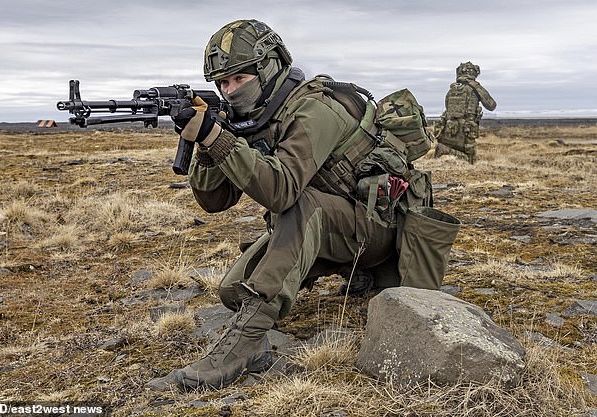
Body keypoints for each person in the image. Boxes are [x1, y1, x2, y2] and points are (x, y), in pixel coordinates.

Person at [146, 19, 455, 392]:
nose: (230, 91)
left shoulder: (313, 108)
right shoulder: (258, 116)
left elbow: (282, 192)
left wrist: (215, 136)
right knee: (233, 291)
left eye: (239, 79)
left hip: (378, 231)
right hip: (338, 229)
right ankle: (351, 274)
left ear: (270, 66)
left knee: (300, 205)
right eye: (222, 83)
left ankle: (243, 349)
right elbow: (215, 202)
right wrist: (210, 147)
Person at [433, 61, 497, 164]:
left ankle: (444, 149)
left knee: (457, 151)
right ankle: (444, 150)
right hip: (467, 130)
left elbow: (447, 108)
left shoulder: (452, 90)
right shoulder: (475, 88)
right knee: (471, 160)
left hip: (449, 130)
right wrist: (477, 87)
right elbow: (491, 105)